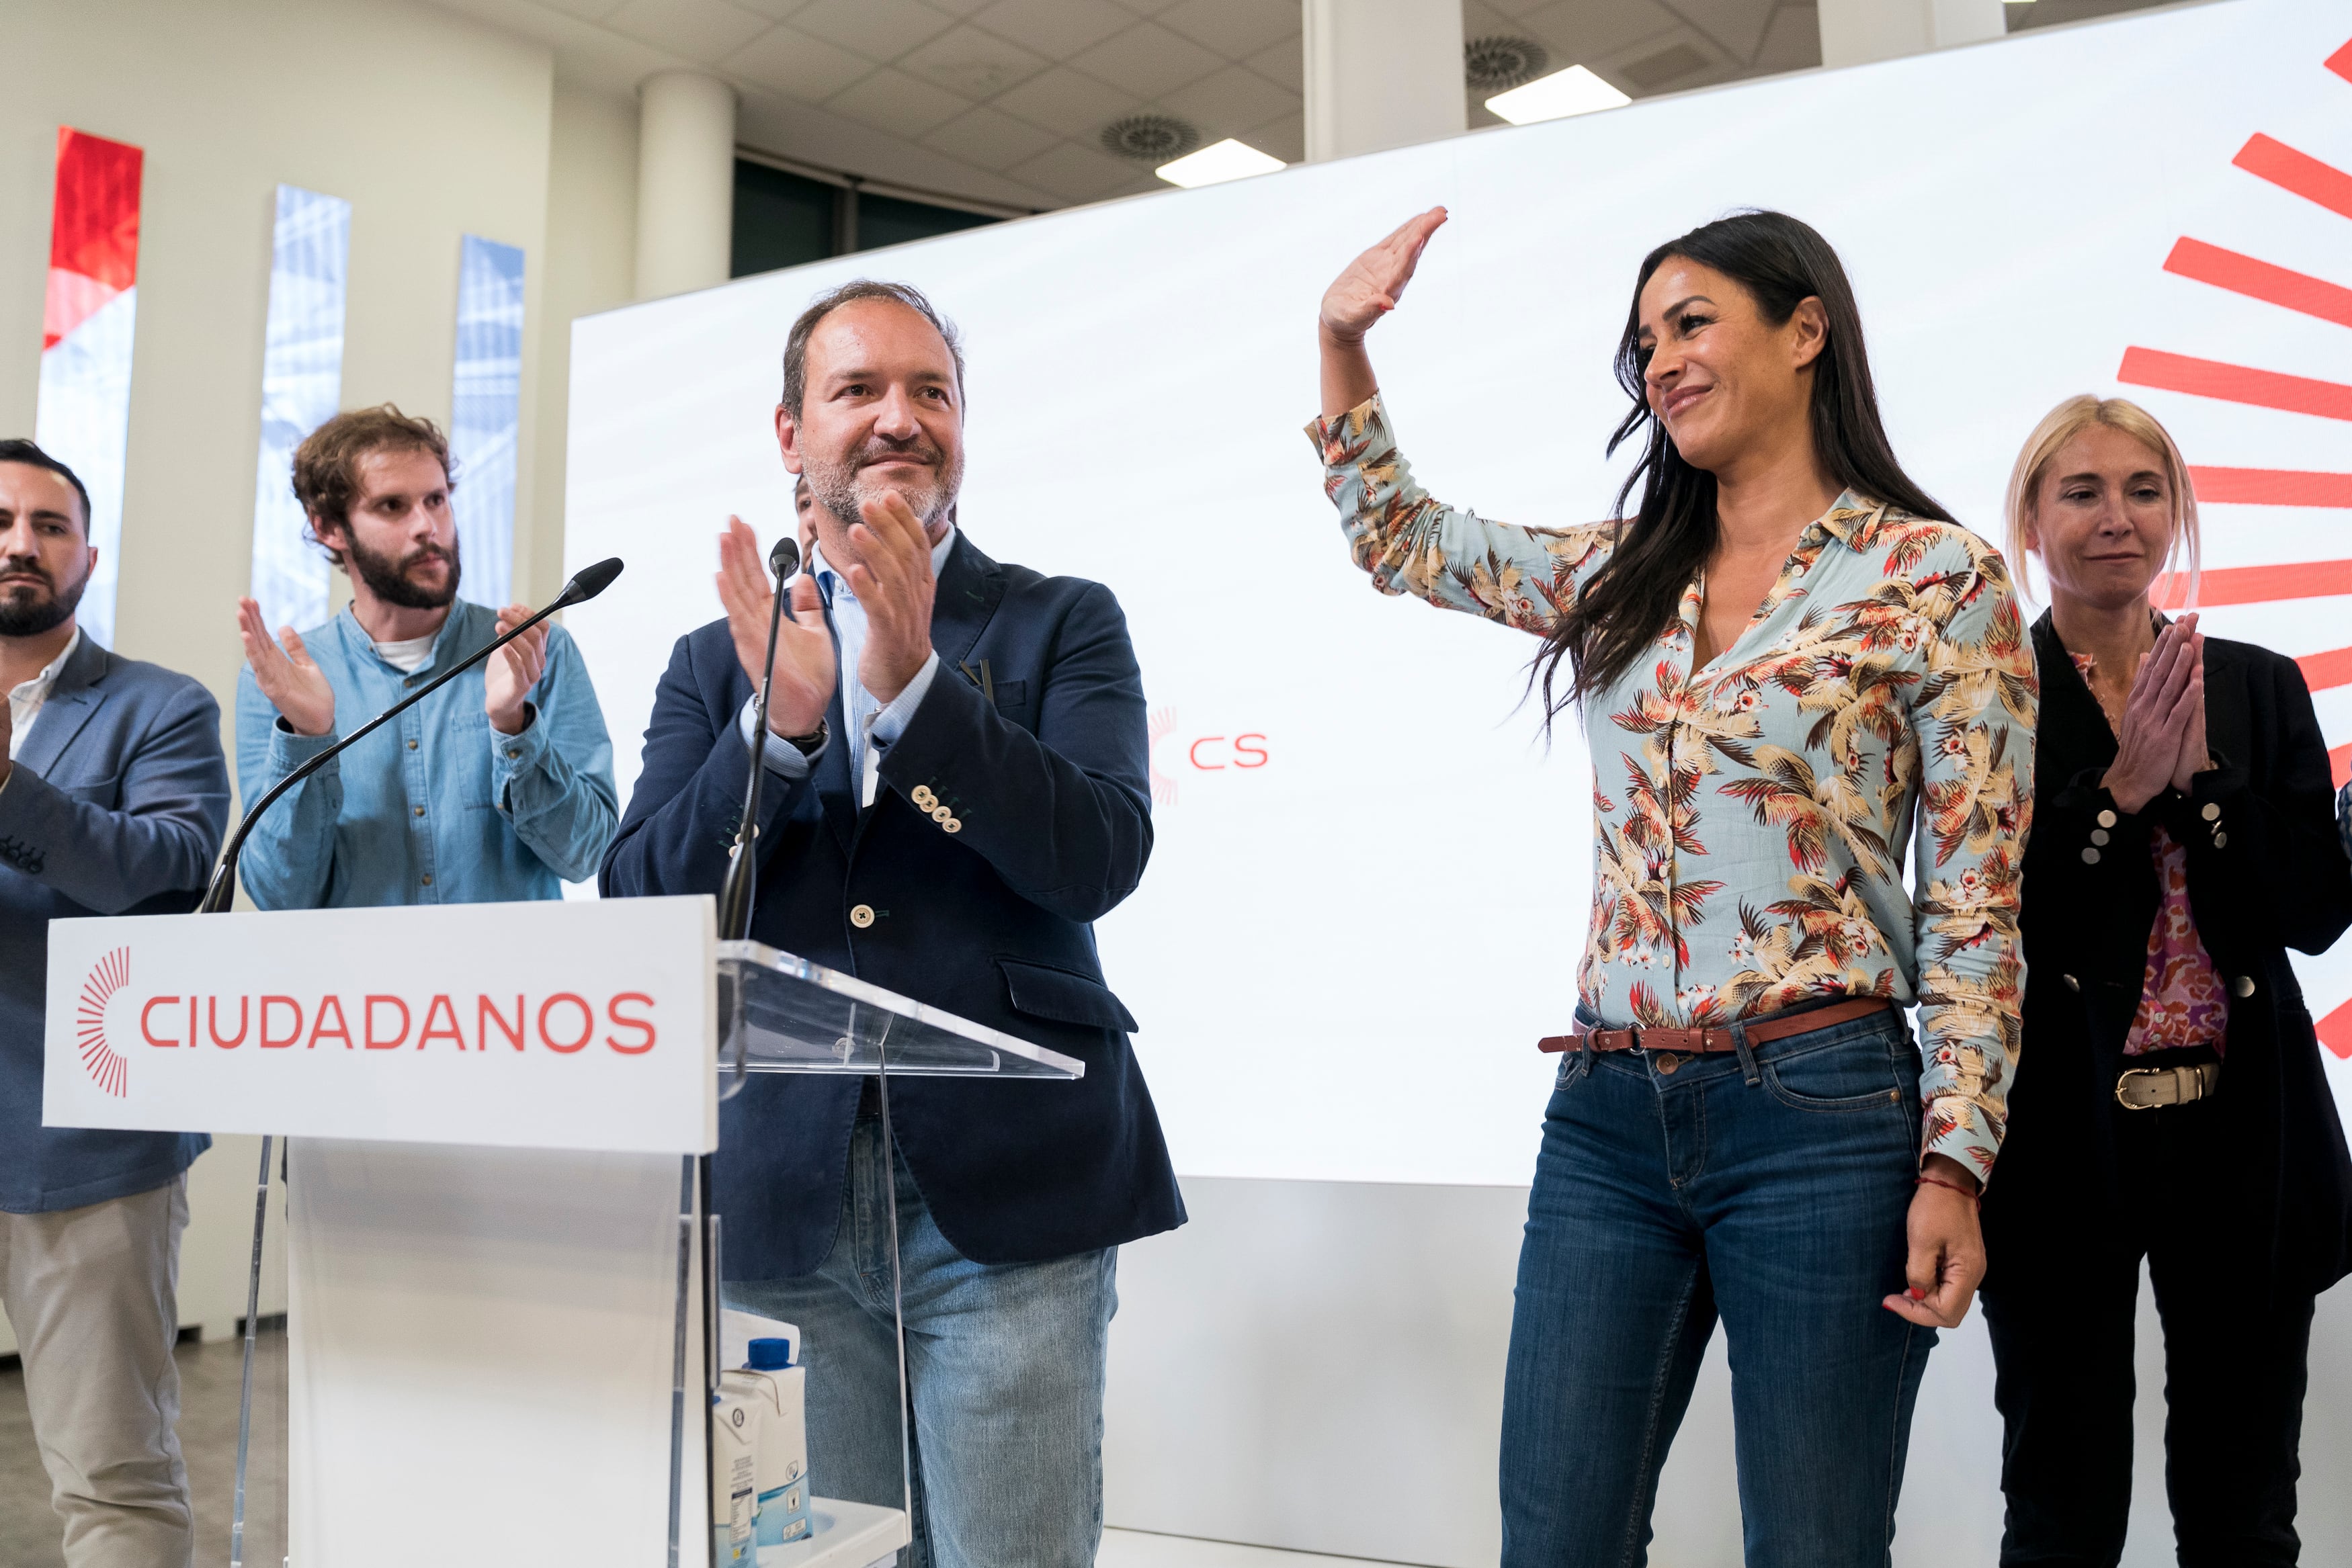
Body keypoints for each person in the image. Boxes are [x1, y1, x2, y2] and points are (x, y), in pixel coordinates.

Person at [1310, 209, 2035, 1565]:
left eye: (1691, 323)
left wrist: (1956, 1156)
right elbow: (1401, 537)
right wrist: (1342, 341)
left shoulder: (1937, 583)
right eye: (1643, 344)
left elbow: (1977, 906)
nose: (1660, 363)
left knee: (1816, 1545)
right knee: (1556, 1540)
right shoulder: (1622, 572)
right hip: (1605, 1114)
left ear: (1805, 329)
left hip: (1824, 1117)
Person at [600, 280, 1179, 1568]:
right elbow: (642, 898)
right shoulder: (715, 659)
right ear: (789, 428)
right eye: (858, 390)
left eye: (932, 391)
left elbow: (1098, 853)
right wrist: (781, 732)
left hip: (1009, 1190)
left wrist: (916, 688)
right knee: (829, 1554)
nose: (899, 419)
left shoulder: (1059, 618)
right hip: (780, 1195)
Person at [1979, 395, 2352, 1566]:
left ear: (2178, 511)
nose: (2116, 518)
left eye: (2144, 490)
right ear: (2033, 521)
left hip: (2245, 1131)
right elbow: (1986, 928)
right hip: (2058, 1140)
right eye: (2081, 492)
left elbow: (2314, 913)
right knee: (2061, 1506)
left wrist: (2204, 789)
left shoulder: (2256, 682)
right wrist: (2115, 799)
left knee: (2245, 1511)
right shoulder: (1989, 694)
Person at [0, 440, 230, 1565]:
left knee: (114, 1483)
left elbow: (166, 867)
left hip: (84, 1148)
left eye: (50, 524)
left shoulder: (159, 706)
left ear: (87, 553)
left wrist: (7, 786)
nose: (21, 542)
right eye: (3, 519)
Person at [233, 405, 616, 908]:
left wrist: (514, 726)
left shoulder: (535, 651)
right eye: (392, 506)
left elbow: (589, 855)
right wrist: (308, 739)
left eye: (436, 500)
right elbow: (280, 896)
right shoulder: (282, 681)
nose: (427, 527)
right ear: (329, 528)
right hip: (359, 985)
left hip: (509, 983)